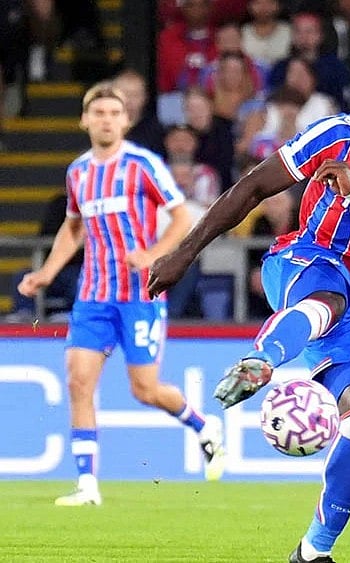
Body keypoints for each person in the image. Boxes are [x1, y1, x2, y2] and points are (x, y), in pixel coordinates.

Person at [146, 52, 350, 563]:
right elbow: (255, 185)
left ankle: (311, 550)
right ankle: (263, 360)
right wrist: (185, 253)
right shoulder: (340, 134)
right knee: (330, 292)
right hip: (303, 261)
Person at [16, 83, 225, 506]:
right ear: (85, 120)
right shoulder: (78, 172)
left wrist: (152, 255)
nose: (107, 119)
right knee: (78, 381)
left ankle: (205, 427)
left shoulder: (143, 165)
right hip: (93, 294)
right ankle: (87, 486)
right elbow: (73, 227)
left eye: (114, 113)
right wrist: (47, 272)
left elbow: (181, 216)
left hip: (140, 295)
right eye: (99, 113)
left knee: (144, 390)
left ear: (125, 121)